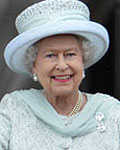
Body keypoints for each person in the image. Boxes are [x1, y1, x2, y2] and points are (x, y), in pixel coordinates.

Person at [0, 0, 120, 149]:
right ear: (34, 65)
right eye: (51, 55)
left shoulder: (112, 112)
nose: (62, 66)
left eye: (70, 54)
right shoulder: (14, 109)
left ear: (83, 60)